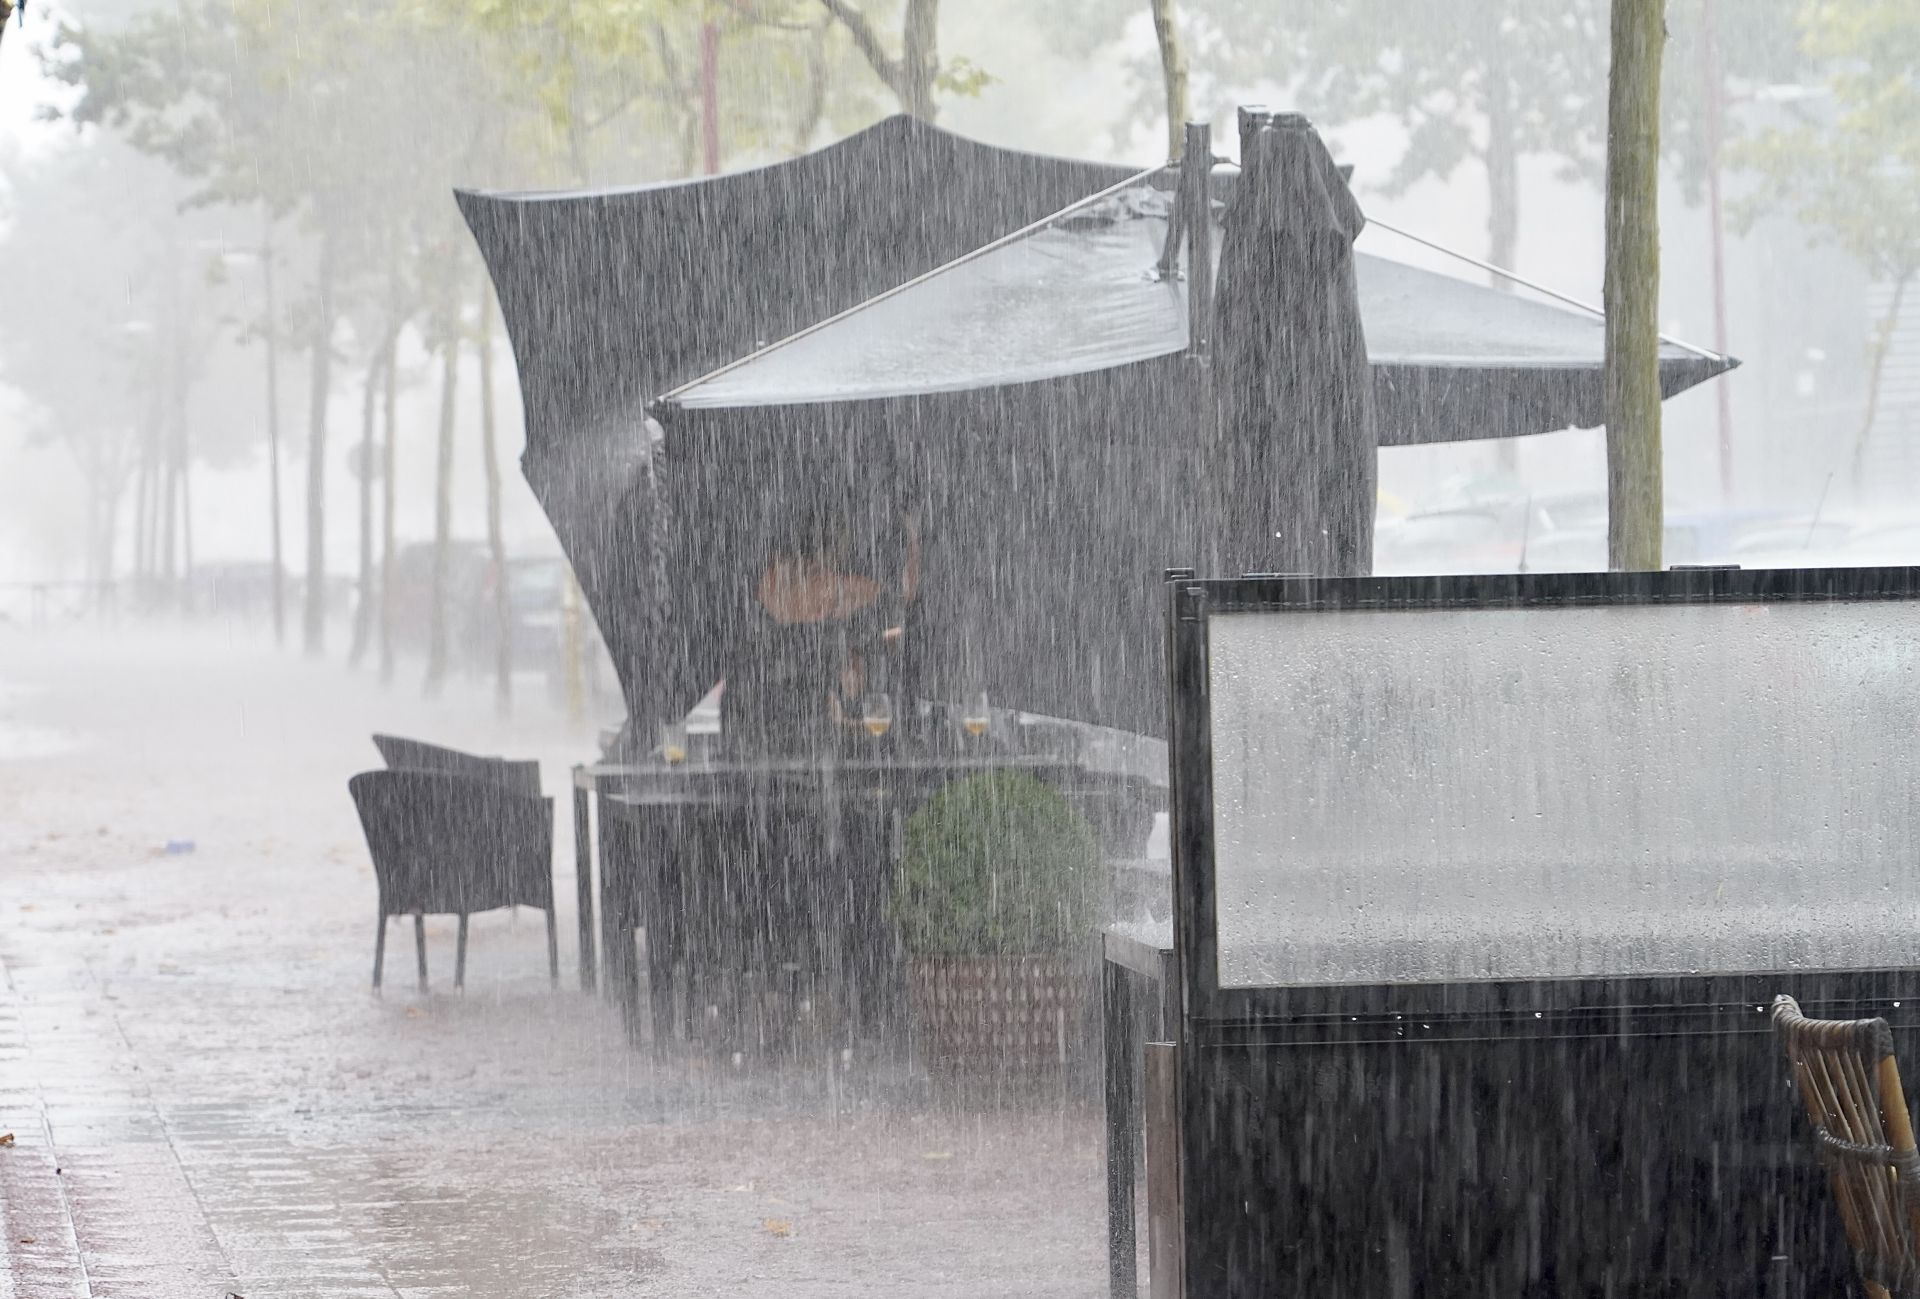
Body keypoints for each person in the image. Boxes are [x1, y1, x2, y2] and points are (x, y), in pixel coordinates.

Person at [722, 498, 921, 753]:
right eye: (844, 542)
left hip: (760, 720)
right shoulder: (834, 588)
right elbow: (903, 596)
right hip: (792, 722)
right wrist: (913, 540)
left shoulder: (771, 583)